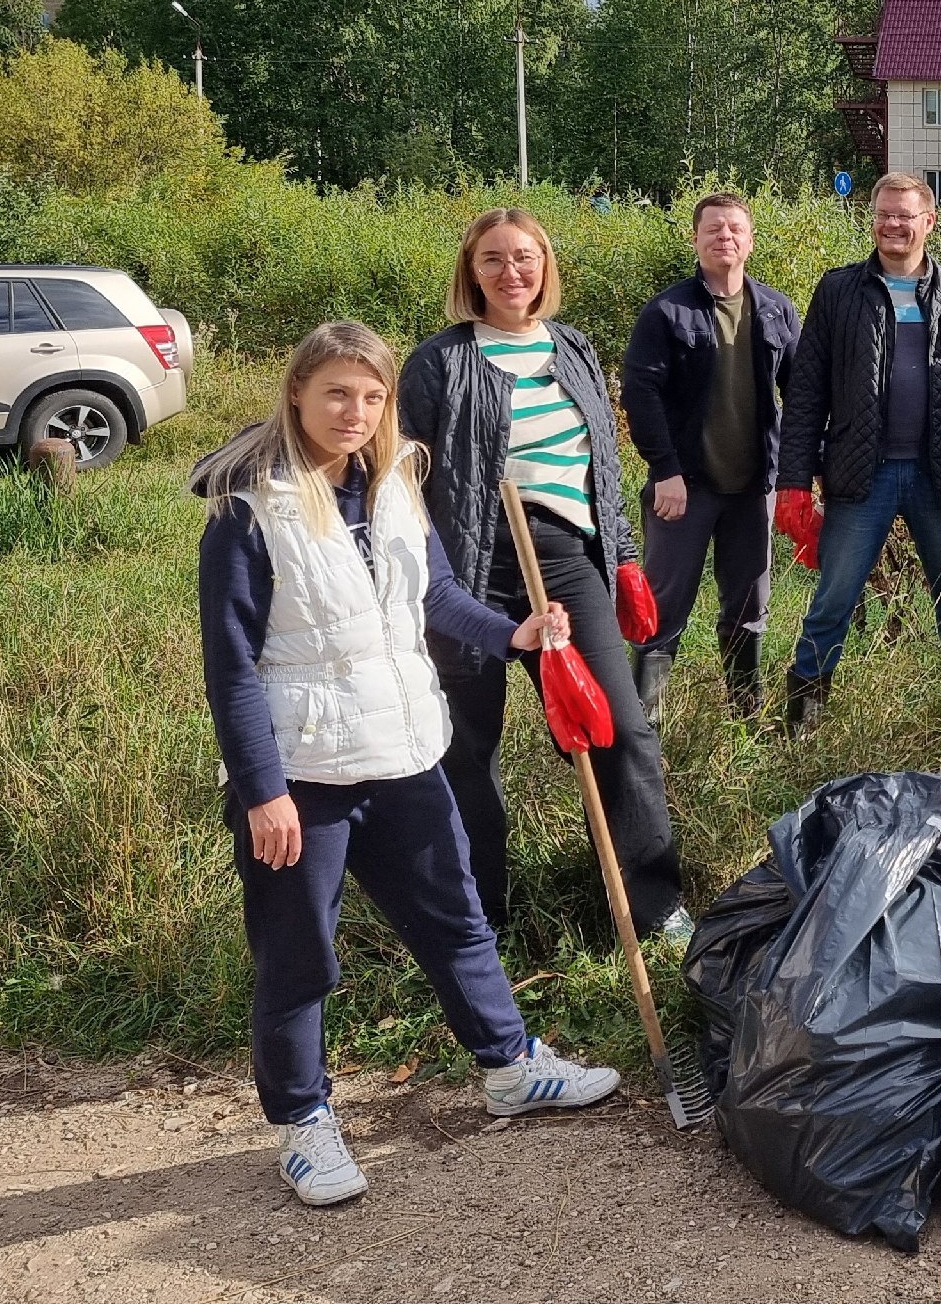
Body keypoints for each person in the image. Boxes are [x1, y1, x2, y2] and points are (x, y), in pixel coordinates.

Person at [195, 322, 621, 1208]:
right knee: (297, 954)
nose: (355, 412)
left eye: (372, 395)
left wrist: (515, 634)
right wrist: (263, 790)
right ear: (299, 395)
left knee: (456, 920)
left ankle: (510, 1067)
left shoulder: (395, 488)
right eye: (337, 394)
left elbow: (437, 597)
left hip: (402, 753)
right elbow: (232, 665)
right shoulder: (250, 509)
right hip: (303, 773)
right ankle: (304, 1123)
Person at [398, 208, 690, 945]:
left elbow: (605, 461)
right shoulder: (438, 362)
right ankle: (478, 916)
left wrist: (622, 554)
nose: (511, 273)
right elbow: (404, 479)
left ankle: (652, 907)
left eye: (524, 257)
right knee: (467, 744)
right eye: (492, 260)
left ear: (545, 265)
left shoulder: (574, 348)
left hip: (566, 559)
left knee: (620, 730)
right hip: (467, 566)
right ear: (470, 272)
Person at [774, 173, 941, 738]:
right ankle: (806, 707)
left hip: (940, 473)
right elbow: (806, 392)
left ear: (929, 222)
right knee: (834, 596)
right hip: (862, 475)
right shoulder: (839, 292)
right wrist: (794, 481)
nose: (893, 225)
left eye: (905, 216)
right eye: (884, 214)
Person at [622, 191, 801, 727]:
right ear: (696, 239)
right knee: (664, 608)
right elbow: (641, 394)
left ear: (749, 240)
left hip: (753, 489)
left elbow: (802, 394)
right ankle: (643, 726)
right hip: (685, 488)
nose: (725, 237)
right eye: (713, 229)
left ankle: (746, 719)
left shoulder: (776, 309)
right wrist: (665, 471)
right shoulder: (667, 311)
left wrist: (797, 473)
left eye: (734, 229)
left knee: (749, 609)